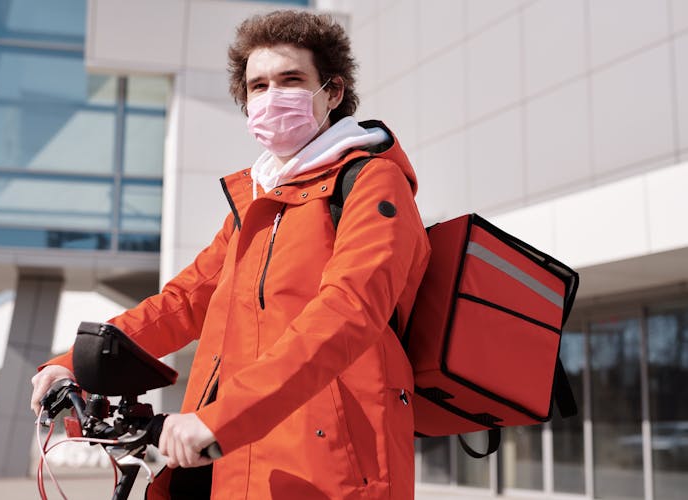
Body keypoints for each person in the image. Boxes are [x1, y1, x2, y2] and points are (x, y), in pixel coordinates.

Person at [31, 9, 430, 499]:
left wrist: (220, 417)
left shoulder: (370, 181)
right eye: (258, 86)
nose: (271, 96)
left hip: (331, 463)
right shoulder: (258, 201)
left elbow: (348, 311)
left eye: (290, 79)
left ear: (333, 92)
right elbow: (183, 302)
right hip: (232, 455)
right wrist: (76, 362)